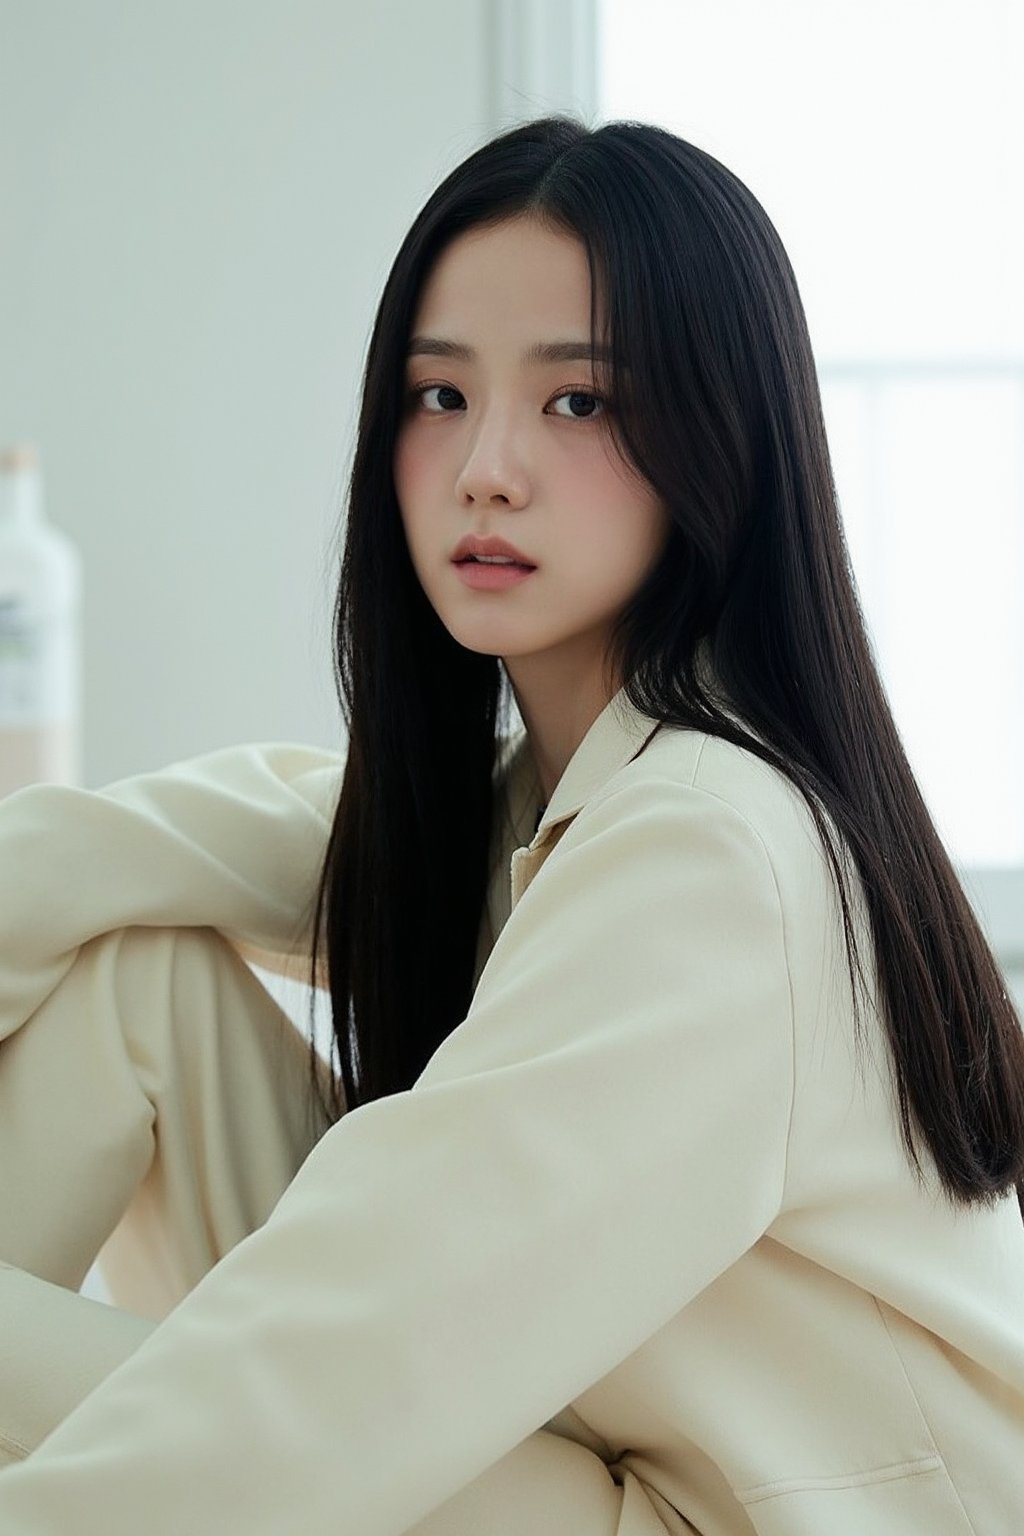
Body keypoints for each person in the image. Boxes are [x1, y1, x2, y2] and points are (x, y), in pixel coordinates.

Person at [0, 114, 1022, 1536]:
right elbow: (127, 852)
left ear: (718, 437)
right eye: (435, 396)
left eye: (580, 403)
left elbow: (336, 1370)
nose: (486, 467)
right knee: (141, 987)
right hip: (599, 1464)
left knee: (250, 1398)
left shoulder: (711, 854)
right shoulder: (545, 806)